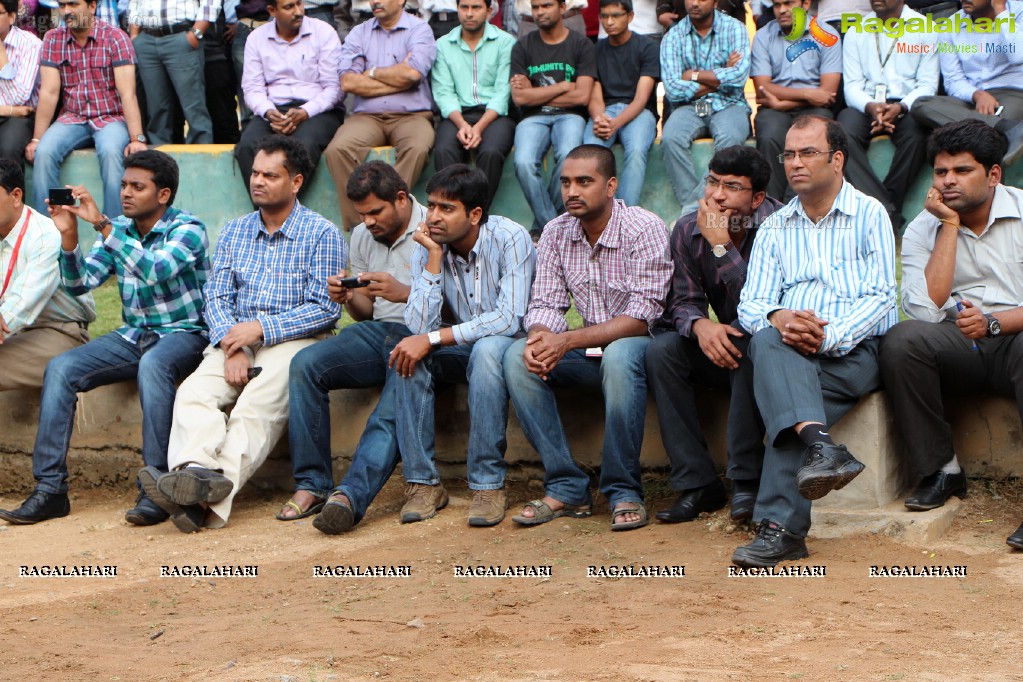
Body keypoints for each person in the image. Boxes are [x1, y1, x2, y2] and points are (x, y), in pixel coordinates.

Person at [140, 135, 345, 533]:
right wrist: (231, 344)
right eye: (255, 173)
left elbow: (325, 308)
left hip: (294, 341)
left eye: (270, 175)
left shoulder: (323, 233)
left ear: (296, 182)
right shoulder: (235, 231)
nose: (258, 181)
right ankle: (195, 472)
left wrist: (262, 329)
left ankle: (200, 500)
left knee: (255, 407)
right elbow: (215, 296)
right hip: (234, 341)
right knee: (194, 393)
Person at [0, 150, 210, 526]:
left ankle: (155, 489)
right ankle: (50, 490)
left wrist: (102, 226)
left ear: (163, 195)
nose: (126, 192)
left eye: (137, 186)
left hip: (185, 334)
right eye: (124, 184)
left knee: (154, 365)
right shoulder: (121, 230)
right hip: (133, 335)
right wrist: (68, 237)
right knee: (61, 368)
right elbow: (80, 283)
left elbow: (155, 270)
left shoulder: (188, 229)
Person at [733, 115, 897, 567]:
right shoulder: (775, 226)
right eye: (788, 154)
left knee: (785, 405)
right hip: (789, 351)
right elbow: (752, 304)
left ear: (838, 159)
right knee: (765, 338)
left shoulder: (869, 214)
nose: (795, 163)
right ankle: (823, 448)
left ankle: (780, 529)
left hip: (856, 350)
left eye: (808, 153)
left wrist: (828, 337)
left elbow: (883, 295)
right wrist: (780, 317)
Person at [505, 144, 671, 531]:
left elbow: (643, 316)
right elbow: (545, 303)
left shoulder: (643, 227)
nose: (571, 192)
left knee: (620, 354)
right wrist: (542, 339)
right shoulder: (556, 232)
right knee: (516, 356)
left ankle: (623, 489)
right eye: (565, 182)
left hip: (642, 353)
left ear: (611, 185)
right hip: (589, 354)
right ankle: (566, 485)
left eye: (584, 181)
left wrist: (566, 341)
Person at [879, 121, 1023, 551]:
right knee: (904, 340)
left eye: (962, 171)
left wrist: (995, 323)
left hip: (1016, 336)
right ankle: (942, 470)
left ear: (993, 174)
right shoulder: (926, 226)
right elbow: (924, 308)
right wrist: (948, 226)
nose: (948, 181)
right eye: (941, 173)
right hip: (957, 342)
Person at [391, 164, 535, 527]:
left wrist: (434, 337)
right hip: (461, 344)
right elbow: (418, 326)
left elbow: (508, 320)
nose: (433, 217)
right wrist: (433, 261)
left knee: (487, 350)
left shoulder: (510, 237)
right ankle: (423, 483)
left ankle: (488, 485)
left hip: (509, 348)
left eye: (446, 208)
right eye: (431, 206)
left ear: (474, 214)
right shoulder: (429, 244)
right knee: (408, 353)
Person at [282, 161, 423, 530]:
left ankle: (350, 496)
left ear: (401, 199)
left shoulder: (433, 227)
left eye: (376, 211)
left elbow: (459, 304)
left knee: (394, 396)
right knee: (305, 364)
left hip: (424, 334)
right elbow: (365, 313)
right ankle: (312, 484)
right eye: (362, 214)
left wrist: (405, 292)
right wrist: (347, 296)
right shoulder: (362, 235)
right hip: (378, 331)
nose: (369, 221)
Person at [646, 146, 781, 524]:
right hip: (725, 341)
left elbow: (762, 308)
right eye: (712, 182)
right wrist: (700, 325)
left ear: (756, 198)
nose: (716, 195)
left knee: (751, 343)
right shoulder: (689, 228)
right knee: (663, 351)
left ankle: (747, 481)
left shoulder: (782, 226)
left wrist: (720, 245)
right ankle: (698, 484)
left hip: (772, 347)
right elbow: (682, 302)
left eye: (731, 187)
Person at [27, 0, 147, 218]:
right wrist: (36, 139)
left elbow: (127, 93)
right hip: (73, 118)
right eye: (62, 6)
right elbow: (49, 93)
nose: (67, 11)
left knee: (111, 153)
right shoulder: (53, 39)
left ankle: (113, 230)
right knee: (44, 153)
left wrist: (136, 138)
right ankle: (50, 231)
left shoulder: (115, 37)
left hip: (111, 117)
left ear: (92, 6)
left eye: (73, 4)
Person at [323, 0, 436, 230]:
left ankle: (390, 215)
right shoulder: (359, 32)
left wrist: (371, 72)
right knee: (337, 150)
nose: (374, 1)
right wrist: (399, 80)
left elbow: (413, 73)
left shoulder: (419, 29)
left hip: (411, 115)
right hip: (367, 116)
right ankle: (361, 228)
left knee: (417, 147)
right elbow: (348, 81)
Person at [838, 0, 936, 233]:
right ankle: (888, 212)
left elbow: (928, 84)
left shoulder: (924, 28)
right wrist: (871, 107)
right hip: (866, 105)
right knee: (841, 134)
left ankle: (880, 212)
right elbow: (851, 86)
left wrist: (901, 107)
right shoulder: (856, 31)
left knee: (917, 135)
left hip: (907, 104)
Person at [0, 159, 95, 391]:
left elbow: (24, 299)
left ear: (15, 196)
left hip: (59, 331)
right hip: (14, 331)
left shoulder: (46, 235)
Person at [234, 0, 343, 192]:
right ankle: (264, 210)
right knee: (247, 146)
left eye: (299, 4)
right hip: (274, 110)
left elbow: (334, 89)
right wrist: (268, 112)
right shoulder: (256, 38)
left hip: (317, 110)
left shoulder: (323, 32)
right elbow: (252, 88)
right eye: (289, 7)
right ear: (272, 10)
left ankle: (288, 212)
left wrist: (305, 112)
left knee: (302, 146)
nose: (298, 11)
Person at [510, 0, 596, 238]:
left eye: (546, 6)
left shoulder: (581, 44)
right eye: (536, 7)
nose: (540, 12)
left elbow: (582, 96)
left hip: (571, 115)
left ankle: (543, 227)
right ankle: (555, 229)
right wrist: (564, 86)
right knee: (524, 162)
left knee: (569, 158)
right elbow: (519, 98)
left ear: (562, 7)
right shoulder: (523, 46)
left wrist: (535, 93)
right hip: (533, 118)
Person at [660, 0, 751, 216]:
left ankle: (701, 207)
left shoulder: (734, 28)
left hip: (729, 104)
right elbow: (672, 89)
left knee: (730, 141)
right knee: (671, 139)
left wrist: (692, 75)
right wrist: (720, 74)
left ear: (716, 1)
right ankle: (695, 205)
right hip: (690, 107)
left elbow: (738, 77)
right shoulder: (673, 36)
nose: (695, 2)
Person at [910, 0, 1023, 166]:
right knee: (920, 104)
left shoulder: (1018, 12)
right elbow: (953, 79)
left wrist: (1000, 11)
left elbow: (1018, 56)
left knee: (992, 145)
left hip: (1012, 93)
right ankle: (1006, 128)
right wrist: (977, 95)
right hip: (970, 100)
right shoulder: (950, 25)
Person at [751, 0, 841, 202]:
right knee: (769, 135)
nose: (782, 10)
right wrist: (808, 94)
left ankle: (800, 203)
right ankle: (772, 209)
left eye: (789, 3)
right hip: (776, 109)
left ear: (806, 3)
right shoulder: (763, 36)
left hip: (810, 108)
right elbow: (763, 87)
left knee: (813, 137)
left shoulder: (827, 35)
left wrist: (782, 102)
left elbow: (828, 92)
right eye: (777, 5)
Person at [431, 0, 516, 208]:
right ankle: (452, 210)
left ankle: (479, 213)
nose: (469, 13)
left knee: (491, 151)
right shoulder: (442, 44)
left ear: (488, 11)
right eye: (464, 7)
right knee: (443, 149)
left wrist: (478, 127)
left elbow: (502, 92)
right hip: (457, 115)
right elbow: (444, 92)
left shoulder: (505, 42)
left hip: (495, 115)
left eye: (476, 8)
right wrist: (462, 125)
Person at [583, 0, 659, 208]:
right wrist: (600, 118)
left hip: (639, 112)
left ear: (630, 17)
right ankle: (594, 213)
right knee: (590, 153)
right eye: (604, 16)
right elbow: (594, 91)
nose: (609, 22)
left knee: (635, 152)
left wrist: (614, 124)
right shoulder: (594, 50)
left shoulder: (647, 47)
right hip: (604, 110)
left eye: (616, 15)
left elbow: (641, 98)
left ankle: (624, 214)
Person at [127, 0, 219, 146]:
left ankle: (201, 159)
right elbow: (134, 3)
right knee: (156, 108)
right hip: (146, 40)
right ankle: (158, 160)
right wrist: (134, 35)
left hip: (181, 36)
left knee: (193, 107)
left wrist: (196, 33)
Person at [0, 0, 40, 166]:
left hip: (22, 119)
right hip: (13, 112)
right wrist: (11, 110)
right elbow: (14, 106)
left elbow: (18, 97)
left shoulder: (30, 44)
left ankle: (10, 192)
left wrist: (1, 52)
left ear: (11, 16)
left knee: (7, 149)